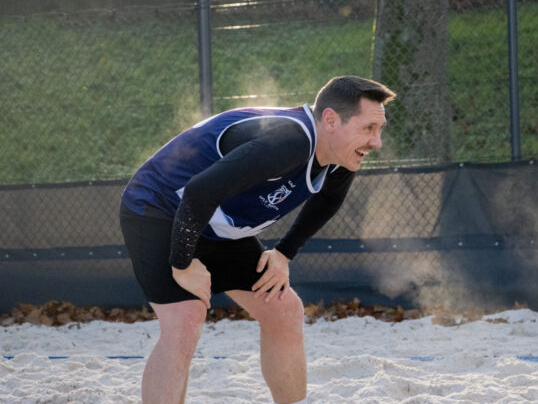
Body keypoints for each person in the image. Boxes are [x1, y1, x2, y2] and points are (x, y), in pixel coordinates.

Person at [119, 75, 395, 404]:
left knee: (283, 308)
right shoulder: (289, 141)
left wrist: (283, 254)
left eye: (379, 129)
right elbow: (197, 192)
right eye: (368, 129)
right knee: (186, 319)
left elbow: (327, 200)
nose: (376, 142)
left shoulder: (341, 155)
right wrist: (182, 263)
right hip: (160, 209)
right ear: (331, 120)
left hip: (218, 224)